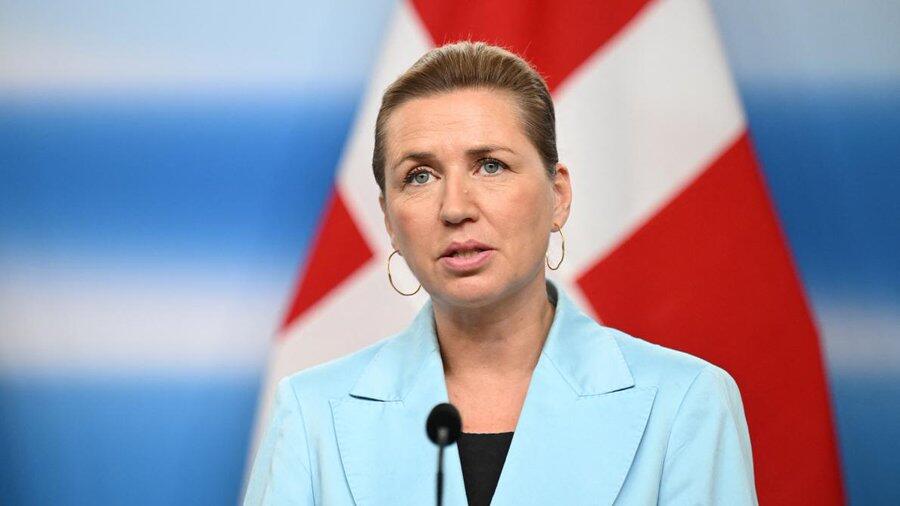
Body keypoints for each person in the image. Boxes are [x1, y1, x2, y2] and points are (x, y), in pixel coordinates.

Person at [244, 41, 757, 505]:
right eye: (419, 176)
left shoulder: (684, 403)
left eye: (490, 165)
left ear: (558, 196)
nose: (455, 207)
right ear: (389, 222)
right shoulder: (311, 414)